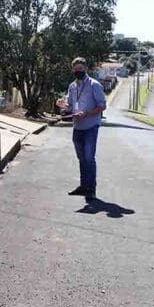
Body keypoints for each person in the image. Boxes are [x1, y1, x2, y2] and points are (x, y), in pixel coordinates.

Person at [56, 57, 106, 202]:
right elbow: (70, 105)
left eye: (80, 69)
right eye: (76, 69)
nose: (78, 71)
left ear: (85, 69)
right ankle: (84, 186)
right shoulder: (72, 86)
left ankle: (91, 190)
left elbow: (102, 105)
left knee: (89, 158)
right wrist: (62, 104)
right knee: (81, 158)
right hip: (77, 126)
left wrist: (87, 113)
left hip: (91, 126)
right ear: (73, 70)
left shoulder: (94, 85)